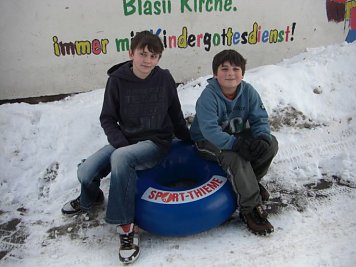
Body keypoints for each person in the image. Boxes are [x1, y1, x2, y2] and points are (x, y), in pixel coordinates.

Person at [61, 30, 191, 264]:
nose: (147, 60)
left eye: (153, 56)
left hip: (155, 143)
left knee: (121, 159)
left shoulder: (164, 79)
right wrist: (120, 143)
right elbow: (107, 119)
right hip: (125, 139)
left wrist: (189, 139)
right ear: (131, 53)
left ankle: (127, 229)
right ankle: (91, 197)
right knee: (85, 171)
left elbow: (175, 113)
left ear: (159, 59)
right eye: (142, 54)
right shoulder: (117, 81)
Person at [189, 49, 278, 236]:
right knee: (235, 157)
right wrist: (235, 144)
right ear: (215, 73)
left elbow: (259, 118)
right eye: (224, 69)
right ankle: (250, 210)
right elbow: (210, 131)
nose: (230, 73)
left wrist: (262, 137)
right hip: (206, 141)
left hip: (235, 135)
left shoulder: (248, 91)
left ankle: (251, 182)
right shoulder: (208, 96)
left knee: (270, 144)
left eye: (236, 68)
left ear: (242, 73)